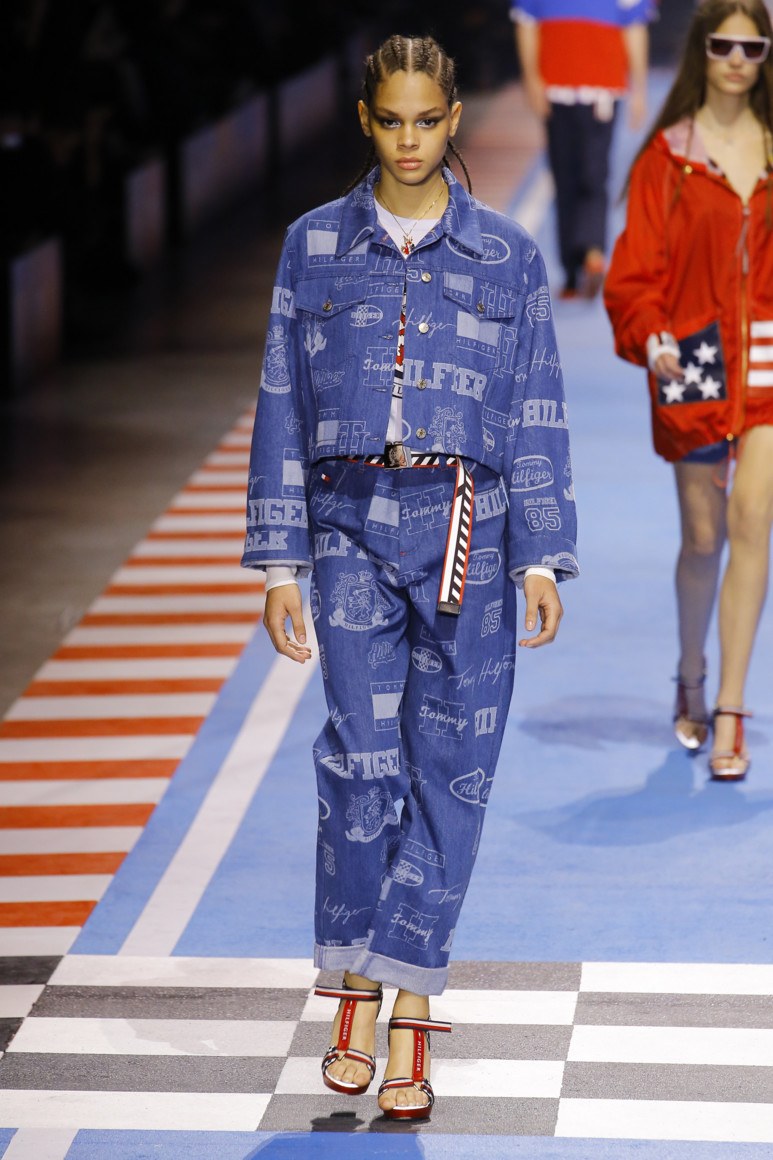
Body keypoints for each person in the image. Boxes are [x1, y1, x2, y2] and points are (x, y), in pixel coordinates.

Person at [241, 34, 578, 1119]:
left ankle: (409, 1004)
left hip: (465, 527)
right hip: (348, 520)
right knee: (359, 759)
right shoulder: (313, 244)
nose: (409, 140)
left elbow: (534, 401)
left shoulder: (505, 256)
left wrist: (538, 553)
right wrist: (280, 559)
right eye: (390, 120)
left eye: (427, 120)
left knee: (453, 769)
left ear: (453, 117)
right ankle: (351, 978)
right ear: (364, 119)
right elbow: (282, 398)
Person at [604, 0, 773, 781]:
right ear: (700, 49)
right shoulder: (666, 159)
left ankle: (730, 707)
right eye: (723, 44)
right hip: (693, 362)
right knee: (703, 540)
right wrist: (651, 335)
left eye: (752, 46)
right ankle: (690, 672)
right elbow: (633, 273)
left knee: (752, 519)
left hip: (766, 360)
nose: (736, 59)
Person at [511, 0, 653, 299]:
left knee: (594, 172)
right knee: (564, 176)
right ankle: (572, 271)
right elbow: (526, 24)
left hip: (602, 88)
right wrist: (532, 79)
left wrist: (639, 90)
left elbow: (634, 29)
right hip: (555, 88)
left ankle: (592, 253)